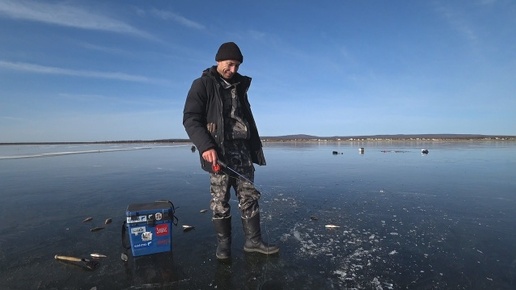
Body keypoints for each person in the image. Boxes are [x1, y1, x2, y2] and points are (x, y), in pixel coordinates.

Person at [183, 42, 279, 259]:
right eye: (230, 64)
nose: (233, 70)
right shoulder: (203, 85)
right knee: (220, 200)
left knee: (249, 195)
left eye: (237, 65)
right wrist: (206, 146)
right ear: (219, 61)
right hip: (219, 151)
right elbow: (191, 119)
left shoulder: (239, 85)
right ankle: (224, 245)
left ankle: (253, 241)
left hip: (242, 150)